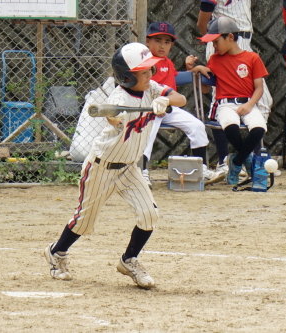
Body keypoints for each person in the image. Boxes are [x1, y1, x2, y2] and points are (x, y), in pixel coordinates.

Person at [42, 42, 186, 289]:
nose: (150, 74)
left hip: (129, 168)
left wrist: (167, 100)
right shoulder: (119, 98)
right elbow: (112, 116)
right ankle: (57, 252)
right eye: (143, 71)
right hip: (102, 167)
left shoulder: (151, 88)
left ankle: (129, 260)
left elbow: (180, 97)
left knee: (149, 215)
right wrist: (116, 117)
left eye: (150, 69)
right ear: (127, 77)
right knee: (84, 221)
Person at [193, 0, 273, 177]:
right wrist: (214, 41)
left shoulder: (251, 57)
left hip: (241, 39)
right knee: (220, 99)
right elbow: (202, 22)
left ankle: (251, 156)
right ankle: (227, 160)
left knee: (263, 101)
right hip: (222, 37)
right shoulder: (217, 50)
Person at [141, 22, 224, 188]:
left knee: (196, 125)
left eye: (166, 42)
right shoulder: (145, 62)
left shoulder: (168, 63)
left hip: (169, 107)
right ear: (147, 41)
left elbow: (175, 76)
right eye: (157, 40)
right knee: (148, 133)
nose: (162, 45)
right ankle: (141, 171)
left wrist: (195, 68)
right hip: (150, 108)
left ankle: (201, 168)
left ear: (171, 45)